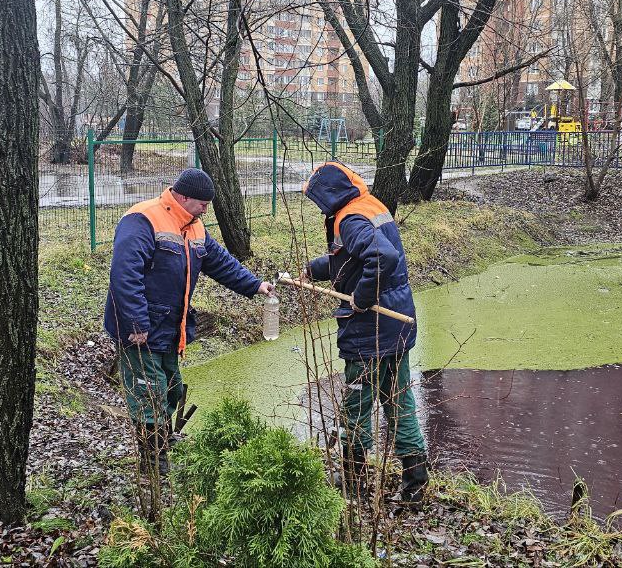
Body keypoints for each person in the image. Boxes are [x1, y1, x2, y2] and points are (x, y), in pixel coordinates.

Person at [104, 168, 274, 476]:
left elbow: (220, 262)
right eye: (202, 203)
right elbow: (124, 276)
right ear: (183, 197)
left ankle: (163, 441)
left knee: (170, 387)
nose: (206, 209)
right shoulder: (142, 220)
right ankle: (154, 464)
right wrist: (136, 324)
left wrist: (255, 285)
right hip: (140, 329)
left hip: (171, 327)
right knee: (149, 394)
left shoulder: (194, 226)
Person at [302, 161, 429, 507]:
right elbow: (351, 259)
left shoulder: (350, 218)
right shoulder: (371, 206)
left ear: (329, 194)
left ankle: (353, 483)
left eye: (317, 199)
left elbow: (381, 257)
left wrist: (361, 297)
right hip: (398, 323)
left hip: (370, 330)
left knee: (357, 404)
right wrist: (314, 269)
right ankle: (416, 483)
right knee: (399, 401)